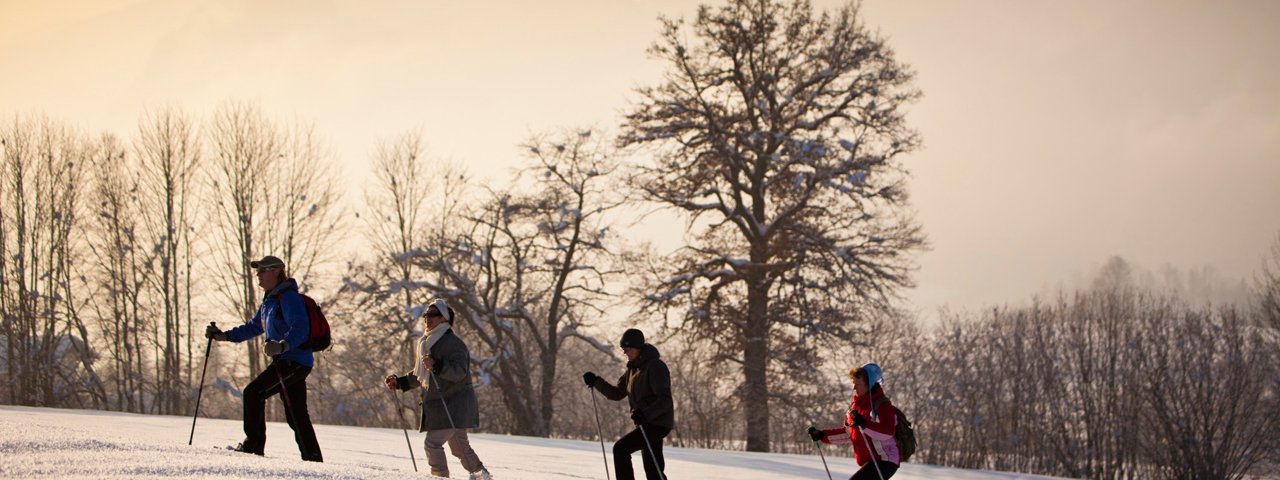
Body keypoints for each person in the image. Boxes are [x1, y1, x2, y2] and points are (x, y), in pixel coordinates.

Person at [205, 255, 323, 462]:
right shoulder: (270, 301)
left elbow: (301, 328)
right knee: (296, 412)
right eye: (257, 271)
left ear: (276, 271)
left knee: (254, 393)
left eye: (262, 270)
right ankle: (313, 459)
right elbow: (254, 327)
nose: (258, 275)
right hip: (288, 362)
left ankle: (253, 447)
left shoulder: (289, 298)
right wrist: (224, 336)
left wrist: (282, 345)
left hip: (293, 361)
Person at [384, 298, 492, 480]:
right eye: (426, 314)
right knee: (460, 448)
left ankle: (439, 477)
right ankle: (481, 475)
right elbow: (421, 374)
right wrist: (401, 382)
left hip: (454, 404)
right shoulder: (427, 342)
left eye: (433, 315)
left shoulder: (453, 343)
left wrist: (437, 365)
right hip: (444, 406)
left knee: (432, 444)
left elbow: (459, 372)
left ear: (444, 319)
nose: (428, 318)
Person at [583, 328, 675, 480]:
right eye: (623, 349)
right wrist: (596, 382)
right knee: (653, 470)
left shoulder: (655, 366)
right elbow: (616, 394)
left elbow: (665, 399)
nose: (625, 352)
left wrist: (645, 414)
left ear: (638, 347)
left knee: (621, 449)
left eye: (628, 348)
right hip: (646, 423)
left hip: (657, 423)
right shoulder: (632, 370)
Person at [808, 363, 899, 480]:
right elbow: (849, 434)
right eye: (853, 383)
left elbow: (887, 432)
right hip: (870, 461)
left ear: (869, 384)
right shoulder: (855, 407)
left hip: (885, 459)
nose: (854, 388)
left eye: (858, 384)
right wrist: (822, 435)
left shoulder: (882, 405)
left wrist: (864, 423)